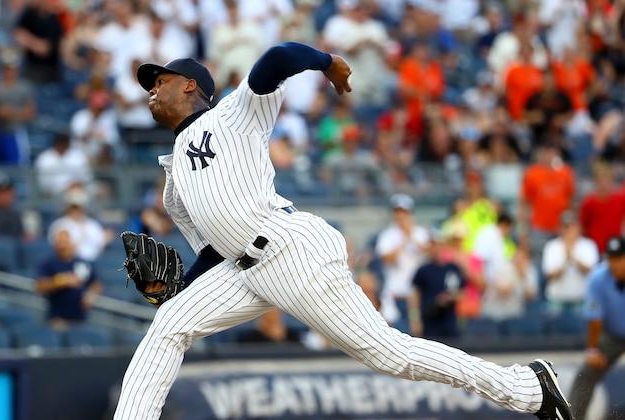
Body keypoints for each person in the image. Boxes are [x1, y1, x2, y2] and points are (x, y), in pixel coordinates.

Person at [112, 41, 573, 420]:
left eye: (160, 80)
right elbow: (215, 250)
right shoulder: (174, 181)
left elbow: (275, 60)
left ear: (189, 85)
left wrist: (326, 62)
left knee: (390, 355)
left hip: (290, 251)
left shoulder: (230, 116)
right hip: (242, 267)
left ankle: (526, 387)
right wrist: (176, 288)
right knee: (169, 324)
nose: (152, 89)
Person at [569, 236, 625, 419]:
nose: (613, 264)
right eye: (610, 258)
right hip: (611, 334)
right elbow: (595, 319)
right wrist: (593, 349)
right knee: (585, 374)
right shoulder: (598, 277)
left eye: (619, 258)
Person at [375, 193, 430, 334]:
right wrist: (404, 239)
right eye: (397, 212)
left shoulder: (420, 233)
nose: (401, 216)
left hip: (417, 297)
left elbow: (428, 253)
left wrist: (410, 235)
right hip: (396, 296)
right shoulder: (387, 235)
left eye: (404, 212)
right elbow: (387, 258)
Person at [35, 226, 103, 329]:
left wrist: (91, 295)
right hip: (58, 318)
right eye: (60, 242)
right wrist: (62, 280)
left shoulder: (82, 263)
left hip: (80, 318)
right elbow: (39, 286)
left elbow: (96, 283)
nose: (63, 245)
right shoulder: (48, 264)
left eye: (65, 241)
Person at [409, 230, 466, 339]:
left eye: (438, 245)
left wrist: (449, 297)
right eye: (433, 245)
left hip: (449, 320)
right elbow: (415, 295)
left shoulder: (453, 268)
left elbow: (462, 293)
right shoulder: (423, 270)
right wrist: (415, 319)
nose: (436, 249)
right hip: (429, 319)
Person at [542, 211, 599, 316]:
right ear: (560, 228)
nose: (568, 230)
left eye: (572, 226)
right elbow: (549, 276)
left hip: (582, 300)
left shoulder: (589, 245)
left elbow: (593, 274)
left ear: (578, 227)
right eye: (565, 227)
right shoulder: (551, 246)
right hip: (557, 301)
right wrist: (565, 261)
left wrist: (573, 257)